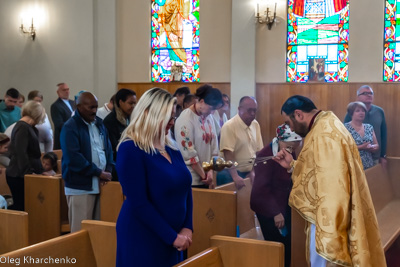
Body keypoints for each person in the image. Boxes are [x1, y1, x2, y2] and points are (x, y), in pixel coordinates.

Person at [273, 95, 386, 267]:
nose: (292, 129)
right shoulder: (325, 124)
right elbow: (319, 172)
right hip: (330, 213)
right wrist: (293, 166)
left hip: (329, 220)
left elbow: (333, 184)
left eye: (289, 123)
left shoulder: (324, 135)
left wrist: (330, 231)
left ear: (298, 114)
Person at [116, 88, 193, 266]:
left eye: (174, 117)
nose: (172, 123)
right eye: (168, 117)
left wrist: (188, 227)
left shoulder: (171, 148)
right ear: (148, 113)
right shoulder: (131, 149)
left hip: (175, 237)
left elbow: (185, 188)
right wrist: (172, 237)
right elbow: (139, 203)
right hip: (143, 235)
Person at [60, 92, 114, 232]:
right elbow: (73, 158)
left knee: (96, 230)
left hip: (100, 184)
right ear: (78, 106)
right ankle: (77, 255)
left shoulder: (99, 124)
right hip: (80, 186)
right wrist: (97, 172)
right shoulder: (70, 127)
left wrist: (108, 170)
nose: (94, 111)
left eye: (96, 107)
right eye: (91, 107)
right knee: (80, 231)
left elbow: (108, 149)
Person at [251, 124, 302, 267]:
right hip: (267, 207)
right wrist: (275, 213)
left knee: (289, 245)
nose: (292, 151)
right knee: (278, 247)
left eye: (294, 147)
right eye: (290, 146)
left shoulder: (287, 150)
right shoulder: (265, 156)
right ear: (280, 140)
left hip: (284, 202)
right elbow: (261, 189)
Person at [175, 84, 223, 188]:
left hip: (207, 176)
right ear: (201, 101)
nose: (212, 112)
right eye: (211, 108)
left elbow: (214, 148)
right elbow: (189, 154)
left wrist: (210, 171)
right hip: (192, 179)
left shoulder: (209, 117)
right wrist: (204, 176)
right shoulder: (185, 119)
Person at [6, 101, 45, 211]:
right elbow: (20, 152)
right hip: (19, 175)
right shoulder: (22, 127)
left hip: (24, 175)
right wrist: (29, 173)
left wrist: (40, 170)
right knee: (22, 207)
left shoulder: (28, 127)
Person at [217, 96, 263, 188]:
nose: (252, 114)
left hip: (249, 172)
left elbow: (258, 151)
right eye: (249, 110)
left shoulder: (255, 124)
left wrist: (253, 171)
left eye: (255, 111)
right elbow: (228, 154)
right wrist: (235, 176)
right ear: (239, 109)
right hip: (230, 173)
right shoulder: (229, 126)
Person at [344, 85, 387, 167]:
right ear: (358, 97)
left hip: (374, 158)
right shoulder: (351, 113)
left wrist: (383, 155)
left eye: (371, 93)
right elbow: (345, 138)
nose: (369, 95)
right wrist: (361, 147)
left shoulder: (379, 111)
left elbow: (383, 134)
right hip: (354, 160)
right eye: (365, 93)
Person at [103, 89, 137, 181]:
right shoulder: (110, 122)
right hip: (118, 168)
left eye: (135, 103)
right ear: (121, 102)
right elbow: (112, 149)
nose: (133, 106)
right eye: (130, 103)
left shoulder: (131, 118)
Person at [344, 102, 379, 170]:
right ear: (351, 113)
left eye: (363, 111)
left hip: (369, 165)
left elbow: (376, 145)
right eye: (358, 111)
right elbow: (343, 147)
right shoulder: (344, 128)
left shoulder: (369, 127)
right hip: (353, 166)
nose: (361, 113)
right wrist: (361, 147)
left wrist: (373, 147)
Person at [51, 83, 76, 149]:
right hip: (64, 137)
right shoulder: (56, 106)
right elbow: (59, 124)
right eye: (64, 90)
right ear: (58, 92)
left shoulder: (73, 103)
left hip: (74, 136)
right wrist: (73, 125)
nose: (67, 91)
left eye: (68, 89)